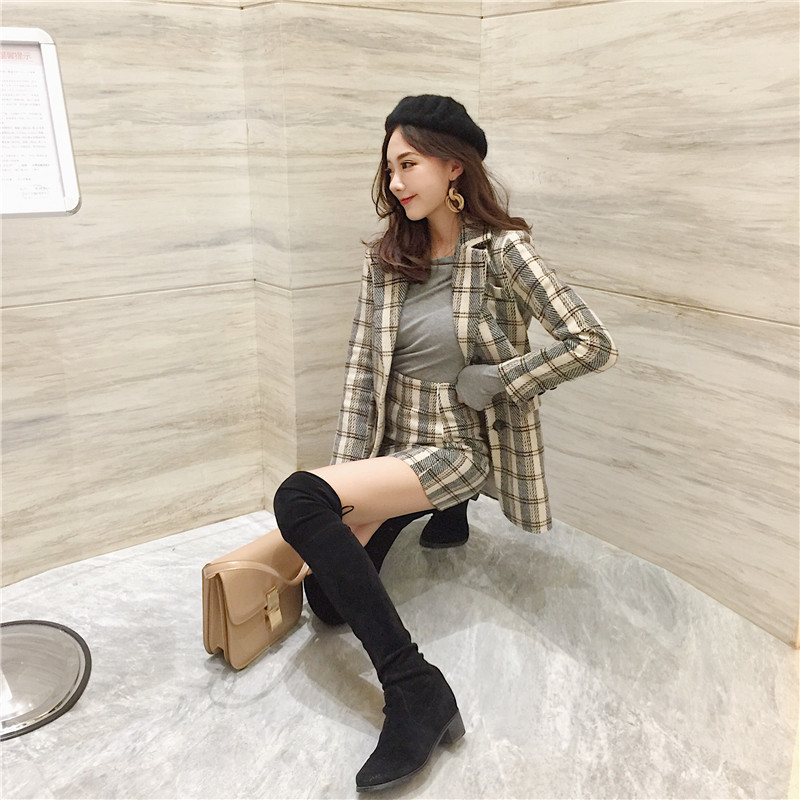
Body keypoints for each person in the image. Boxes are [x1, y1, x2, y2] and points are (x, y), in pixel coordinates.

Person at [272, 94, 618, 792]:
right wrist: (350, 479)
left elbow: (592, 342)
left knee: (296, 498)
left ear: (453, 166)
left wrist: (498, 379)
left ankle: (415, 689)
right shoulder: (388, 258)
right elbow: (361, 376)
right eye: (389, 167)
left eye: (409, 164)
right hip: (393, 440)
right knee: (328, 604)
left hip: (456, 444)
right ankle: (427, 511)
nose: (395, 181)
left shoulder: (502, 252)